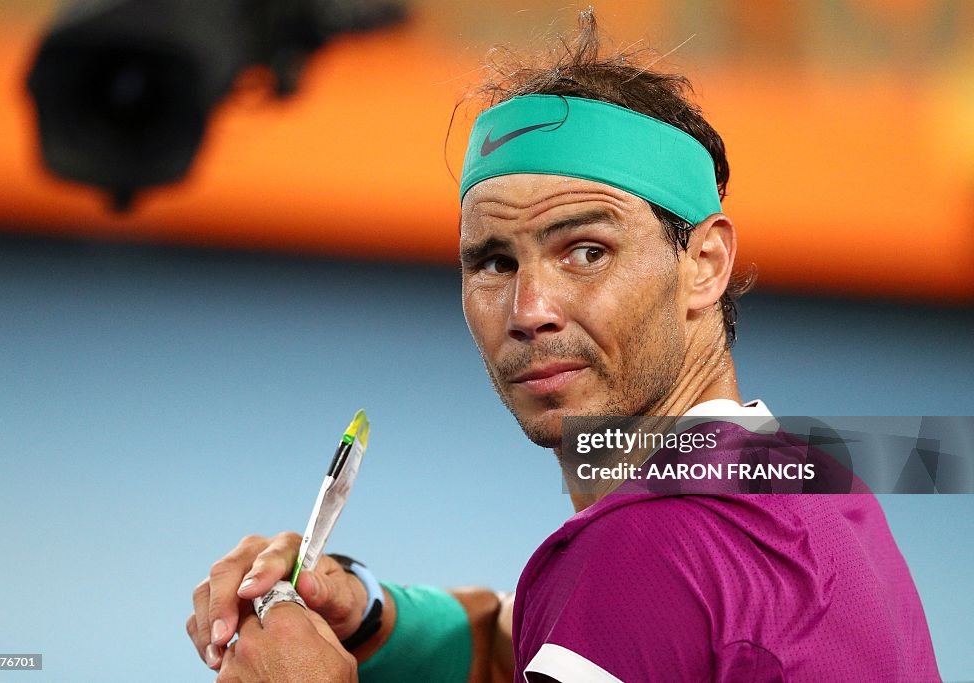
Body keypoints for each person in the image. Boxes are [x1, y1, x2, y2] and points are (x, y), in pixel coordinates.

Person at [186, 11, 940, 682]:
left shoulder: (642, 560)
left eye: (586, 251)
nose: (530, 309)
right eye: (495, 262)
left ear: (704, 264)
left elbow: (626, 613)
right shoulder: (813, 481)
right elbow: (527, 645)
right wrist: (371, 612)